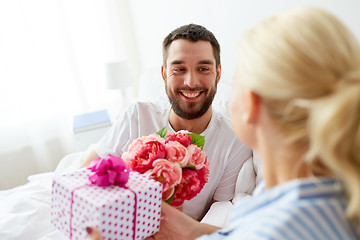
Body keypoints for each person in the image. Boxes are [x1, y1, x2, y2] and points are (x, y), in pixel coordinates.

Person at [88, 6, 360, 239]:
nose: (192, 82)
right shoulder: (322, 198)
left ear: (251, 103)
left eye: (236, 80)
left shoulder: (274, 225)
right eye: (179, 68)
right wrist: (191, 231)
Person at [80, 24, 256, 221]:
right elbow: (84, 175)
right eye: (179, 69)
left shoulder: (234, 142)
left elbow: (216, 218)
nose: (190, 82)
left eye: (204, 69)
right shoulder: (137, 115)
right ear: (164, 74)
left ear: (218, 73)